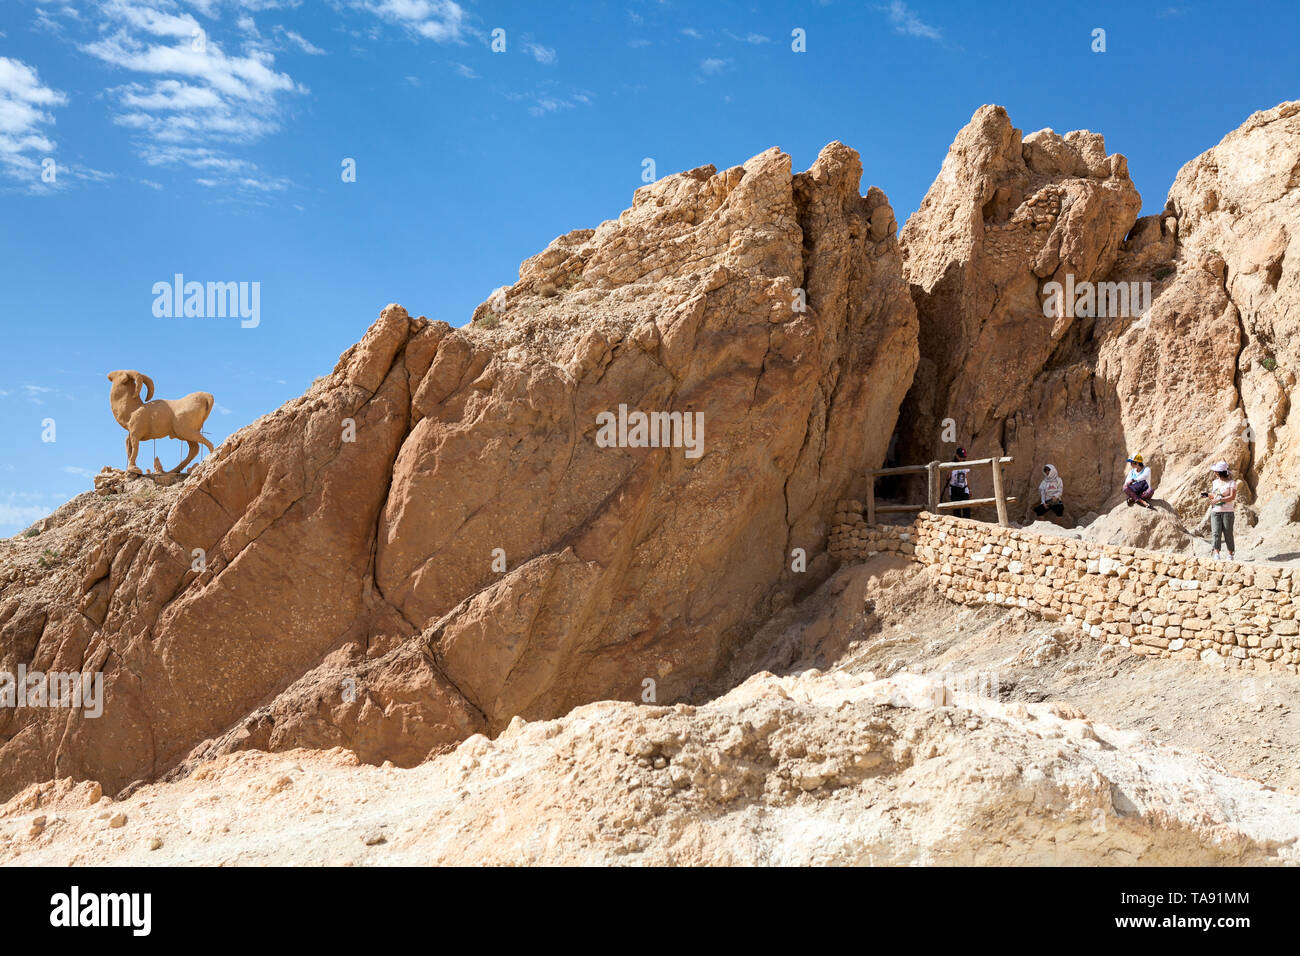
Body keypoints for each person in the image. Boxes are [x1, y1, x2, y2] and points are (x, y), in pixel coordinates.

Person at [1205, 460, 1238, 561]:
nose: (1214, 473)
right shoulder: (1215, 483)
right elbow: (1215, 495)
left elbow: (1232, 497)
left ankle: (1230, 554)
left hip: (1228, 512)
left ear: (1219, 472)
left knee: (1228, 533)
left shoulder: (1232, 483)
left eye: (1216, 471)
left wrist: (1219, 499)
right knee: (1216, 533)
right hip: (1215, 511)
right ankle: (1216, 553)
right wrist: (1208, 496)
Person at [948, 447, 972, 518]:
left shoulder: (965, 464)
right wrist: (950, 470)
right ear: (956, 455)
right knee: (956, 511)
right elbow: (947, 477)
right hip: (954, 489)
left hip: (964, 489)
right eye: (961, 457)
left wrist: (969, 489)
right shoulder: (951, 464)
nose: (962, 459)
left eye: (963, 457)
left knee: (967, 510)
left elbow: (966, 478)